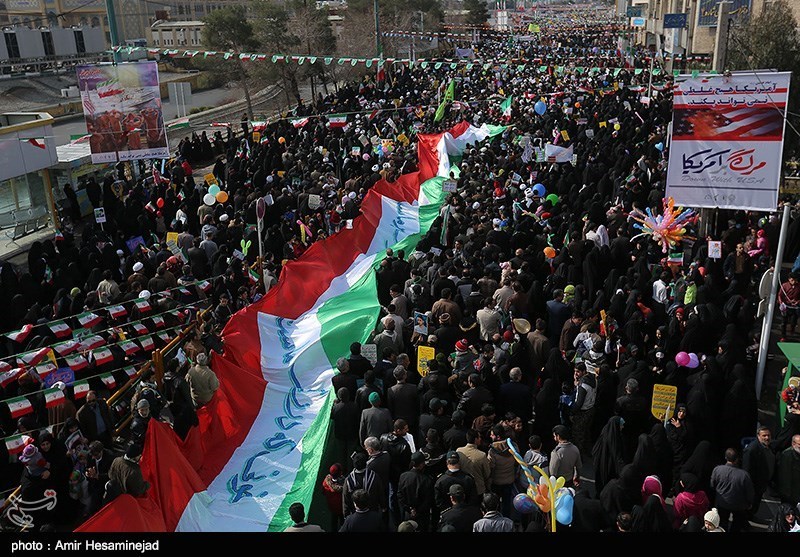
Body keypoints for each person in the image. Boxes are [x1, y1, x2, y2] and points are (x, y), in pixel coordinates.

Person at [710, 447, 755, 532]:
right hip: (738, 505)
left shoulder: (717, 469)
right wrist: (749, 503)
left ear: (725, 457)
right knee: (737, 524)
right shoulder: (744, 475)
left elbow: (712, 485)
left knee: (723, 522)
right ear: (737, 459)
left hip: (722, 503)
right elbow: (749, 492)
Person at [742, 425, 775, 518]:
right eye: (764, 435)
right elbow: (747, 470)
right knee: (751, 503)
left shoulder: (769, 446)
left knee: (756, 503)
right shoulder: (751, 450)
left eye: (768, 435)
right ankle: (746, 519)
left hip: (763, 483)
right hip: (755, 484)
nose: (767, 438)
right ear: (758, 436)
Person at [397, 451, 435, 532]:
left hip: (408, 513)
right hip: (422, 515)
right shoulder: (426, 480)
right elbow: (428, 500)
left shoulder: (403, 476)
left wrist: (409, 509)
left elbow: (400, 496)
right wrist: (417, 511)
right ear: (421, 464)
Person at [457, 429, 492, 497]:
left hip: (464, 487)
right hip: (478, 489)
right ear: (476, 439)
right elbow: (487, 473)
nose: (480, 439)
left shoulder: (459, 451)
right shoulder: (482, 455)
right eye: (479, 437)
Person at [776, 434, 800, 505]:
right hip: (790, 493)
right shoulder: (787, 455)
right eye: (799, 444)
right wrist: (786, 495)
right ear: (793, 443)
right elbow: (785, 477)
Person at [321, 463, 345, 531]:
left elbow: (323, 492)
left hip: (331, 506)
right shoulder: (343, 487)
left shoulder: (326, 482)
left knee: (334, 520)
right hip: (341, 507)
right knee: (342, 521)